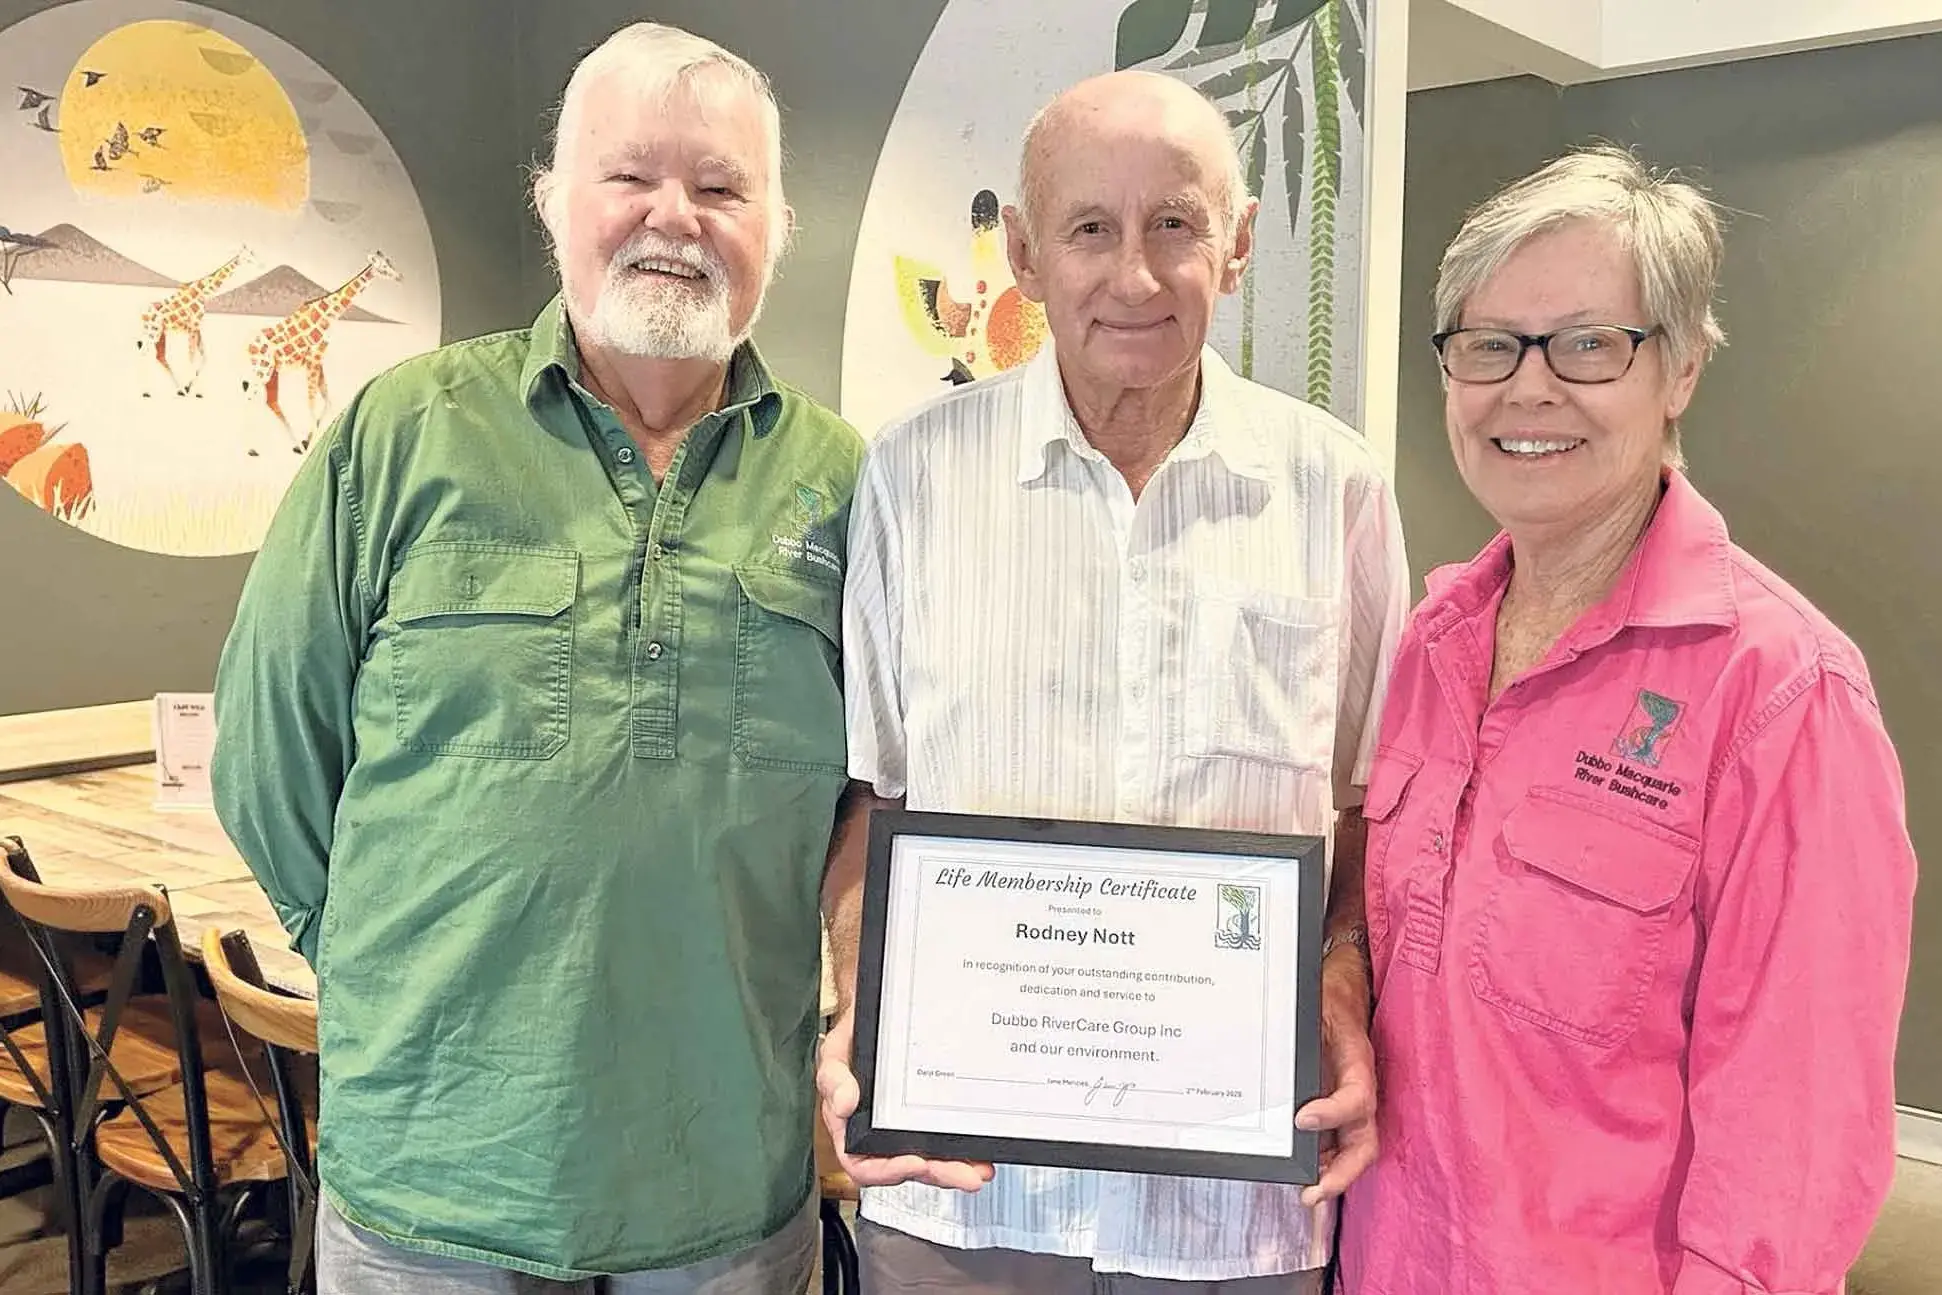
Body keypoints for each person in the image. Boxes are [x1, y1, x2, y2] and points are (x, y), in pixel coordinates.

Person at [210, 23, 862, 1293]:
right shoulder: (405, 433)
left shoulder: (847, 484)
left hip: (721, 1180)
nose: (674, 216)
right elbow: (268, 747)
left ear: (776, 227)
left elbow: (869, 793)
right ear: (553, 200)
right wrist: (391, 974)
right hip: (431, 1180)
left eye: (722, 187)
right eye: (629, 176)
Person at [816, 70, 1409, 1293]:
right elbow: (877, 803)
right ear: (1026, 254)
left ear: (1235, 247)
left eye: (1175, 225)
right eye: (1090, 228)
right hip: (959, 1204)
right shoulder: (913, 480)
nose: (1133, 275)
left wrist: (1341, 971)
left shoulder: (1335, 491)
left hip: (1232, 1214)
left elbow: (1365, 812)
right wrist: (854, 1008)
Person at [1338, 146, 1917, 1294]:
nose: (1529, 388)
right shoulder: (1434, 638)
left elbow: (1790, 1154)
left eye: (1589, 344)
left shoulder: (1782, 692)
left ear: (1682, 368)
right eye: (1489, 344)